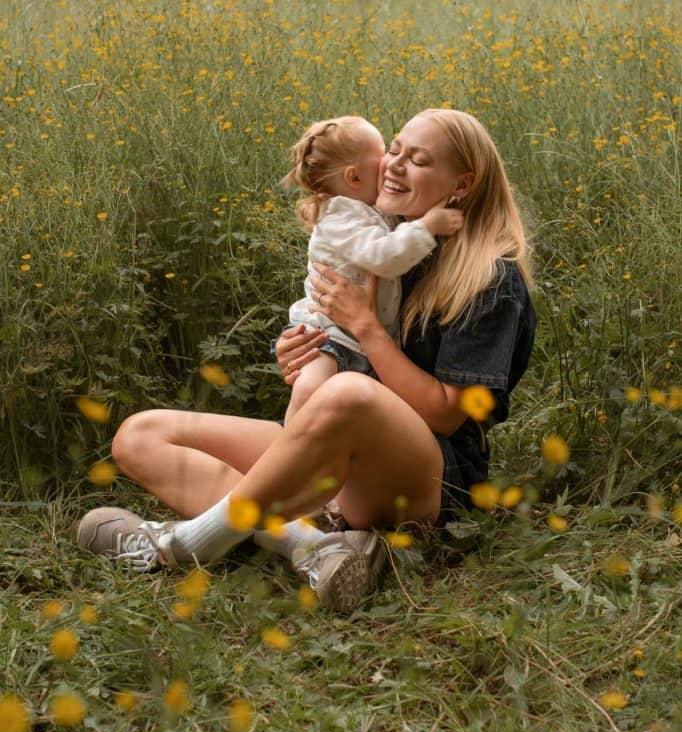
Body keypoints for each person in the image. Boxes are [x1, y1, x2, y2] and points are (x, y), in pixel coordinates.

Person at [77, 109, 536, 613]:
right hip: (341, 446)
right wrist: (306, 348)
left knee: (348, 394)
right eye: (395, 149)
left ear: (461, 186)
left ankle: (186, 542)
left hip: (428, 477)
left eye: (419, 161)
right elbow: (339, 338)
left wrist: (364, 329)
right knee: (141, 435)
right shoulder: (382, 236)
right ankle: (314, 545)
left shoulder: (489, 279)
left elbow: (447, 414)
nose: (394, 165)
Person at [281, 114, 462, 421]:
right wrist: (428, 226)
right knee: (310, 390)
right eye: (386, 153)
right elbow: (384, 256)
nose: (390, 165)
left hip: (355, 339)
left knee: (343, 413)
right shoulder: (341, 216)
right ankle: (291, 439)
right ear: (354, 178)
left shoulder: (370, 210)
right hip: (327, 336)